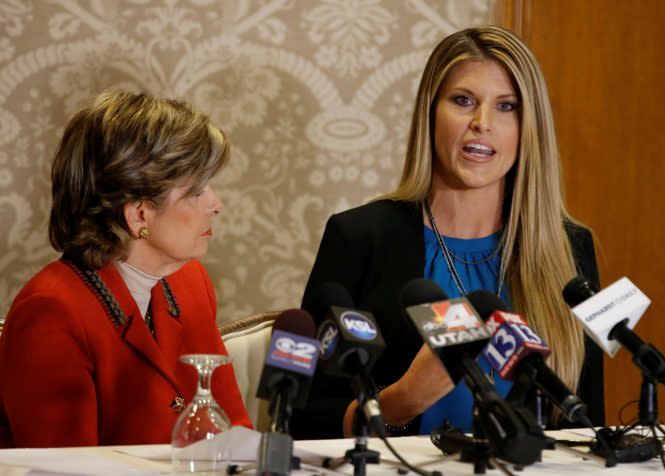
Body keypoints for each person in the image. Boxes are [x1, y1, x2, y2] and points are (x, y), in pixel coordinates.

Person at [292, 26, 604, 439]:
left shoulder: (570, 248)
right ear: (430, 113)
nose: (482, 123)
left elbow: (590, 422)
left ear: (529, 128)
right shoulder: (359, 238)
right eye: (463, 101)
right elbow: (301, 419)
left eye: (507, 106)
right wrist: (400, 401)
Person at [0, 90, 252, 447]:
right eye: (196, 191)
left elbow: (234, 432)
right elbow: (64, 472)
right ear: (139, 215)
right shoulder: (51, 313)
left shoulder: (190, 281)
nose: (216, 204)